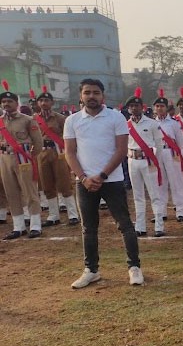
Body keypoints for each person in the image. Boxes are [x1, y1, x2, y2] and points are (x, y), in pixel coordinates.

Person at [64, 79, 143, 288]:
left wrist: (102, 176)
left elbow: (120, 150)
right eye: (87, 92)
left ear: (103, 96)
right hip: (84, 182)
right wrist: (83, 178)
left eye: (96, 92)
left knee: (125, 225)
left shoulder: (116, 117)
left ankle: (134, 267)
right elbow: (70, 152)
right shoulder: (72, 121)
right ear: (80, 96)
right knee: (88, 228)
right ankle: (91, 270)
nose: (92, 96)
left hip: (112, 180)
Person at [0, 81, 44, 239]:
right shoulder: (0, 121)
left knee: (29, 191)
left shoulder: (27, 119)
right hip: (5, 159)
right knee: (11, 193)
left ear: (16, 103)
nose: (6, 104)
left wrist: (32, 157)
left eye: (9, 101)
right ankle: (18, 226)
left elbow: (38, 142)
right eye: (3, 102)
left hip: (23, 159)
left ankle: (35, 225)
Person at [33, 86, 80, 226]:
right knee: (46, 185)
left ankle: (73, 214)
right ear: (37, 103)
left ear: (52, 103)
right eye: (41, 100)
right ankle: (53, 215)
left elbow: (69, 137)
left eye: (46, 100)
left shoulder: (61, 118)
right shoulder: (33, 119)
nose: (43, 103)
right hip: (42, 153)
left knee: (64, 183)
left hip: (58, 153)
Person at [125, 88, 165, 237]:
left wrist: (156, 162)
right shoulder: (126, 124)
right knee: (137, 195)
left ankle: (159, 226)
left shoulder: (152, 123)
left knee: (154, 194)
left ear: (143, 107)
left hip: (149, 161)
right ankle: (140, 226)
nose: (134, 108)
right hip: (133, 161)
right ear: (128, 109)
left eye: (137, 105)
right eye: (131, 106)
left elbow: (159, 145)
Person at [152, 89, 183, 222]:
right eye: (157, 106)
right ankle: (161, 211)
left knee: (176, 181)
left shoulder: (174, 123)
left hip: (171, 154)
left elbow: (179, 142)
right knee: (159, 182)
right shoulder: (151, 124)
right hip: (157, 153)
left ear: (167, 108)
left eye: (162, 106)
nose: (159, 108)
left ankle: (180, 211)